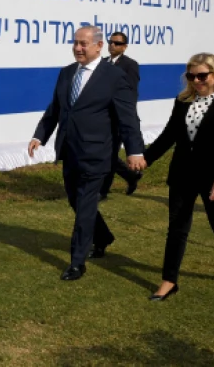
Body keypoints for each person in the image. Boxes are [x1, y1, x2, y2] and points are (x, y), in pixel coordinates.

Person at [29, 26, 145, 281]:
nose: (78, 48)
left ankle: (77, 262)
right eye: (75, 43)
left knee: (85, 207)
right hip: (69, 151)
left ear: (99, 46)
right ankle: (103, 237)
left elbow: (128, 118)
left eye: (83, 44)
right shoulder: (67, 72)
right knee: (76, 201)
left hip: (97, 154)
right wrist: (39, 136)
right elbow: (56, 109)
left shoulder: (114, 77)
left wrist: (135, 151)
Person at [143, 53, 214, 302]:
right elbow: (168, 136)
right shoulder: (182, 102)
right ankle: (169, 281)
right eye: (191, 76)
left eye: (202, 76)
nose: (197, 81)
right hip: (182, 174)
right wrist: (145, 159)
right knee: (176, 229)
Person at [100, 31, 143, 199]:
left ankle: (102, 191)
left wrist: (126, 116)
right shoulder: (102, 63)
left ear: (124, 47)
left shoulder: (130, 65)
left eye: (117, 43)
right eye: (111, 42)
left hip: (119, 117)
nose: (112, 45)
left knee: (110, 154)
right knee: (104, 152)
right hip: (102, 116)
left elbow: (131, 93)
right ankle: (130, 176)